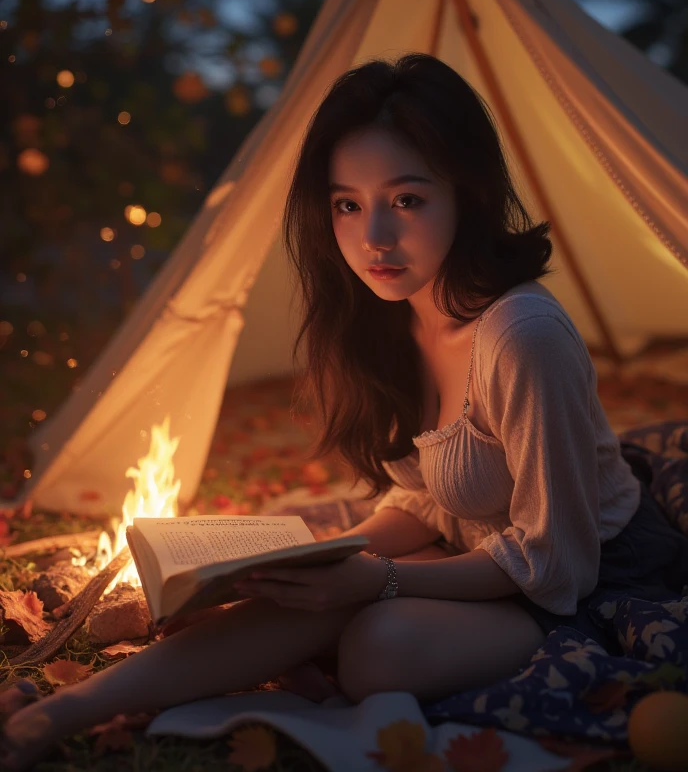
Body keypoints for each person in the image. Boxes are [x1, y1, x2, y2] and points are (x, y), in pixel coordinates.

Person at [3, 53, 686, 770]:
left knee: (375, 646)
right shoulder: (390, 313)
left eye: (408, 200)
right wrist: (341, 556)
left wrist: (380, 579)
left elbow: (556, 562)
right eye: (347, 205)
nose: (374, 238)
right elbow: (424, 500)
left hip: (580, 580)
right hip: (468, 554)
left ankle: (336, 617)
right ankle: (59, 710)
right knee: (313, 595)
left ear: (466, 193)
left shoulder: (522, 337)